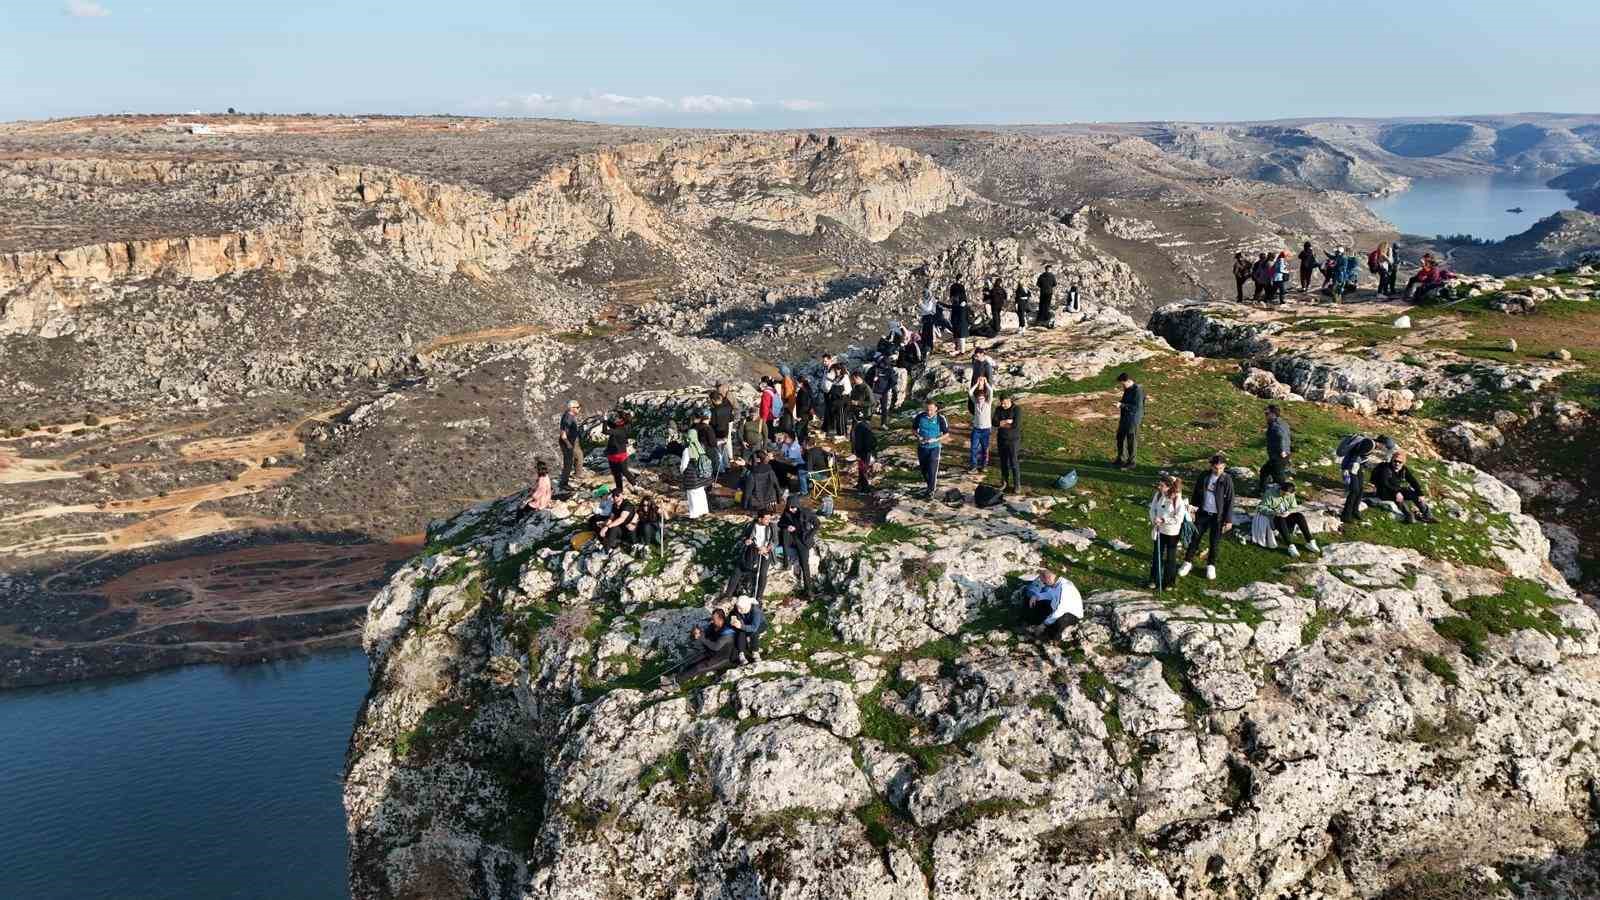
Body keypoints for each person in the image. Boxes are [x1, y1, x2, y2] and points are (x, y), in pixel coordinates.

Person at [1179, 453, 1233, 581]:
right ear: (1211, 466)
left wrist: (1229, 520)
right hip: (1202, 513)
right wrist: (1192, 509)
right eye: (1215, 468)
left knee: (1214, 542)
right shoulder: (1204, 476)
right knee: (1195, 538)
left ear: (1224, 467)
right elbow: (1196, 493)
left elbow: (1230, 500)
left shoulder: (1227, 479)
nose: (1218, 470)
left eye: (1221, 468)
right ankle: (1187, 562)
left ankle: (1211, 565)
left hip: (1217, 517)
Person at [662, 609, 737, 687]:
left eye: (714, 619)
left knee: (698, 668)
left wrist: (701, 637)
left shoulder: (728, 633)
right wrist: (699, 632)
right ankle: (674, 677)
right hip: (711, 653)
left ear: (720, 619)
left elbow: (716, 647)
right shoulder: (714, 626)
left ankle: (675, 683)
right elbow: (706, 633)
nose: (712, 620)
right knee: (692, 661)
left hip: (722, 658)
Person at [1147, 475, 1189, 590]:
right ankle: (1153, 580)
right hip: (1159, 529)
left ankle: (1169, 582)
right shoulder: (1158, 494)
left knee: (1170, 557)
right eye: (1159, 484)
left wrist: (1164, 520)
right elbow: (1152, 509)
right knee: (1157, 555)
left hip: (1172, 532)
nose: (1159, 487)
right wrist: (1154, 519)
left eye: (1162, 485)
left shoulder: (1177, 499)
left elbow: (1178, 519)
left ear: (1169, 486)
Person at [1371, 449, 1436, 524]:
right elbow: (1384, 483)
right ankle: (1409, 516)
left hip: (1396, 490)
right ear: (1392, 460)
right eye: (1395, 461)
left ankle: (1428, 516)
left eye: (1400, 462)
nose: (1397, 463)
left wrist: (1420, 494)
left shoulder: (1403, 469)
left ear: (1403, 462)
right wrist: (1396, 492)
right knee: (1399, 499)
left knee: (1414, 495)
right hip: (1384, 491)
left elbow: (1413, 481)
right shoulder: (1385, 468)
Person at [1258, 479, 1319, 557]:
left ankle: (1310, 541)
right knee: (1280, 518)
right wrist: (1274, 512)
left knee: (1299, 516)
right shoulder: (1269, 494)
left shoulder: (1290, 495)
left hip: (1285, 515)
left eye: (1286, 495)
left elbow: (1294, 507)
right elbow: (1261, 507)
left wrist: (1288, 512)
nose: (1284, 495)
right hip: (1273, 517)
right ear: (1280, 489)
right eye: (1283, 493)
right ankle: (1290, 546)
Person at [1021, 570, 1082, 640]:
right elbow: (1049, 594)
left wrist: (1045, 624)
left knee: (1059, 624)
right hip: (1055, 611)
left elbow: (1060, 610)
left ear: (1048, 578)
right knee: (1033, 601)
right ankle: (1030, 623)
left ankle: (1052, 636)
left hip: (1070, 615)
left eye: (1044, 582)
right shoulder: (1056, 584)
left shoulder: (1065, 587)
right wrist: (1036, 596)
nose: (1044, 584)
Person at [778, 494, 820, 597]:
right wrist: (787, 526)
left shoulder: (806, 512)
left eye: (793, 507)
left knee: (804, 564)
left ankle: (808, 590)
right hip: (792, 539)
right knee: (784, 531)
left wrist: (808, 536)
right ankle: (786, 561)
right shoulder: (787, 512)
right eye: (789, 507)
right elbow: (780, 523)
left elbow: (817, 524)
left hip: (803, 540)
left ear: (797, 505)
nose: (790, 509)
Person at [911, 400, 949, 498]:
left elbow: (946, 434)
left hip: (935, 447)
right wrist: (918, 437)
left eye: (931, 410)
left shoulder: (940, 418)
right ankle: (929, 486)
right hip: (922, 447)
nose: (929, 412)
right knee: (924, 470)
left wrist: (935, 440)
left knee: (932, 469)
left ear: (936, 408)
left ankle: (931, 490)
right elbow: (913, 430)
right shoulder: (920, 417)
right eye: (927, 410)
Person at [679, 422, 715, 519]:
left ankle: (694, 516)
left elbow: (683, 466)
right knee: (701, 495)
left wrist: (682, 472)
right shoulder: (701, 447)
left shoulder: (687, 450)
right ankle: (704, 512)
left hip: (691, 478)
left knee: (692, 497)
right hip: (702, 477)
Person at [1339, 437, 1376, 523]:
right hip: (1351, 466)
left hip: (1358, 466)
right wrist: (1347, 473)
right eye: (1384, 446)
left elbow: (1363, 458)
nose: (1384, 448)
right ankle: (1346, 515)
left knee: (1361, 489)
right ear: (1381, 443)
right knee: (1354, 490)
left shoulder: (1371, 445)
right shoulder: (1369, 444)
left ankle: (1355, 510)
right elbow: (1356, 456)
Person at [1257, 405, 1292, 495]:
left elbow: (1282, 437)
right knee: (1264, 471)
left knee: (1279, 479)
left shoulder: (1276, 426)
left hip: (1279, 456)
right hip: (1278, 455)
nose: (1265, 415)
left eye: (1267, 413)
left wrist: (1283, 450)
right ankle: (1262, 491)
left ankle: (1288, 496)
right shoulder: (1283, 423)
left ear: (1273, 414)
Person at [1114, 372, 1144, 469]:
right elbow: (1125, 401)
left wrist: (1122, 405)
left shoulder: (1137, 391)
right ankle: (1121, 458)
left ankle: (1131, 462)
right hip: (1124, 418)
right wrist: (1120, 403)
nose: (1122, 386)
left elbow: (1136, 407)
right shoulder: (1127, 389)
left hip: (1133, 419)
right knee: (1120, 437)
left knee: (1131, 440)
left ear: (1128, 381)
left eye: (1123, 384)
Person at [604, 413, 638, 494]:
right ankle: (632, 486)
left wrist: (604, 420)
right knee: (623, 471)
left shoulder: (619, 430)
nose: (615, 419)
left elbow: (605, 431)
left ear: (622, 420)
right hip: (620, 454)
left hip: (615, 454)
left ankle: (630, 487)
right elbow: (612, 424)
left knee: (619, 473)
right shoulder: (623, 427)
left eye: (617, 418)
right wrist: (605, 419)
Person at [995, 395, 1022, 494]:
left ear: (1009, 400)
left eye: (1004, 403)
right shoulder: (998, 409)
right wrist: (1006, 421)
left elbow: (1016, 425)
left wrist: (1001, 423)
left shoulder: (1017, 409)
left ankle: (1017, 485)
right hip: (1001, 439)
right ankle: (1005, 482)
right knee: (1003, 462)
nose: (1002, 405)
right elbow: (994, 422)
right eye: (1001, 403)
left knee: (1013, 462)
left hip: (1013, 440)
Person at [729, 596, 767, 664]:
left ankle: (755, 651)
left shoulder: (756, 611)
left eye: (741, 609)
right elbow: (734, 614)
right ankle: (741, 653)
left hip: (760, 625)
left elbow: (754, 627)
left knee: (754, 632)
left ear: (747, 607)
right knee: (741, 631)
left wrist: (741, 626)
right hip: (746, 623)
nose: (739, 610)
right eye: (738, 608)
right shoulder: (738, 608)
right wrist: (733, 620)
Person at [968, 377, 994, 473]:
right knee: (973, 448)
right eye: (979, 398)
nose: (980, 400)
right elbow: (970, 392)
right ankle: (973, 466)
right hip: (976, 429)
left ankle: (984, 465)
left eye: (982, 398)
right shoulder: (975, 403)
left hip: (986, 430)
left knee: (984, 448)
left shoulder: (988, 403)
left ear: (985, 398)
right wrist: (977, 383)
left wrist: (986, 383)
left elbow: (991, 391)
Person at [557, 399, 583, 492]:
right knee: (568, 463)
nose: (579, 409)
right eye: (577, 407)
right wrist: (568, 444)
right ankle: (563, 483)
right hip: (567, 442)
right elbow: (563, 434)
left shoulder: (571, 415)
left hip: (573, 441)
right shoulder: (568, 418)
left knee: (579, 456)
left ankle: (577, 476)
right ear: (571, 408)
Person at [709, 385, 736, 475]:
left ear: (713, 400)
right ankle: (727, 466)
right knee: (724, 450)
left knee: (718, 453)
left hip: (717, 434)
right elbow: (730, 419)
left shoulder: (714, 411)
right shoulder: (727, 407)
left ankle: (721, 470)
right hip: (725, 432)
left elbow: (712, 424)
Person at [870, 354, 898, 427]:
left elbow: (894, 381)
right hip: (874, 391)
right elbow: (867, 377)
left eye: (885, 364)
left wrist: (887, 388)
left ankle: (883, 424)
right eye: (883, 363)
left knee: (884, 408)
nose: (883, 365)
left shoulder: (890, 370)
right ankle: (867, 421)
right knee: (871, 406)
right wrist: (872, 381)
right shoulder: (875, 369)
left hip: (884, 392)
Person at [851, 415, 877, 493]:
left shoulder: (859, 428)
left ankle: (864, 488)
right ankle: (860, 484)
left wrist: (857, 453)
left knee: (863, 469)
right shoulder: (865, 426)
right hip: (867, 451)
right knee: (862, 469)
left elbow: (858, 442)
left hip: (863, 452)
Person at [826, 363, 850, 437]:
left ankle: (842, 433)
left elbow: (847, 389)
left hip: (841, 399)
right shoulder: (837, 377)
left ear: (839, 369)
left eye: (835, 370)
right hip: (834, 399)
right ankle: (836, 431)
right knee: (835, 416)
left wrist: (840, 394)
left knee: (841, 416)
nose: (834, 372)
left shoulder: (845, 377)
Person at [946, 280, 970, 353]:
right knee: (958, 336)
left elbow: (953, 307)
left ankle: (961, 351)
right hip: (958, 322)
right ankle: (959, 350)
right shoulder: (960, 302)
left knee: (961, 337)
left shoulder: (961, 304)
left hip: (960, 322)